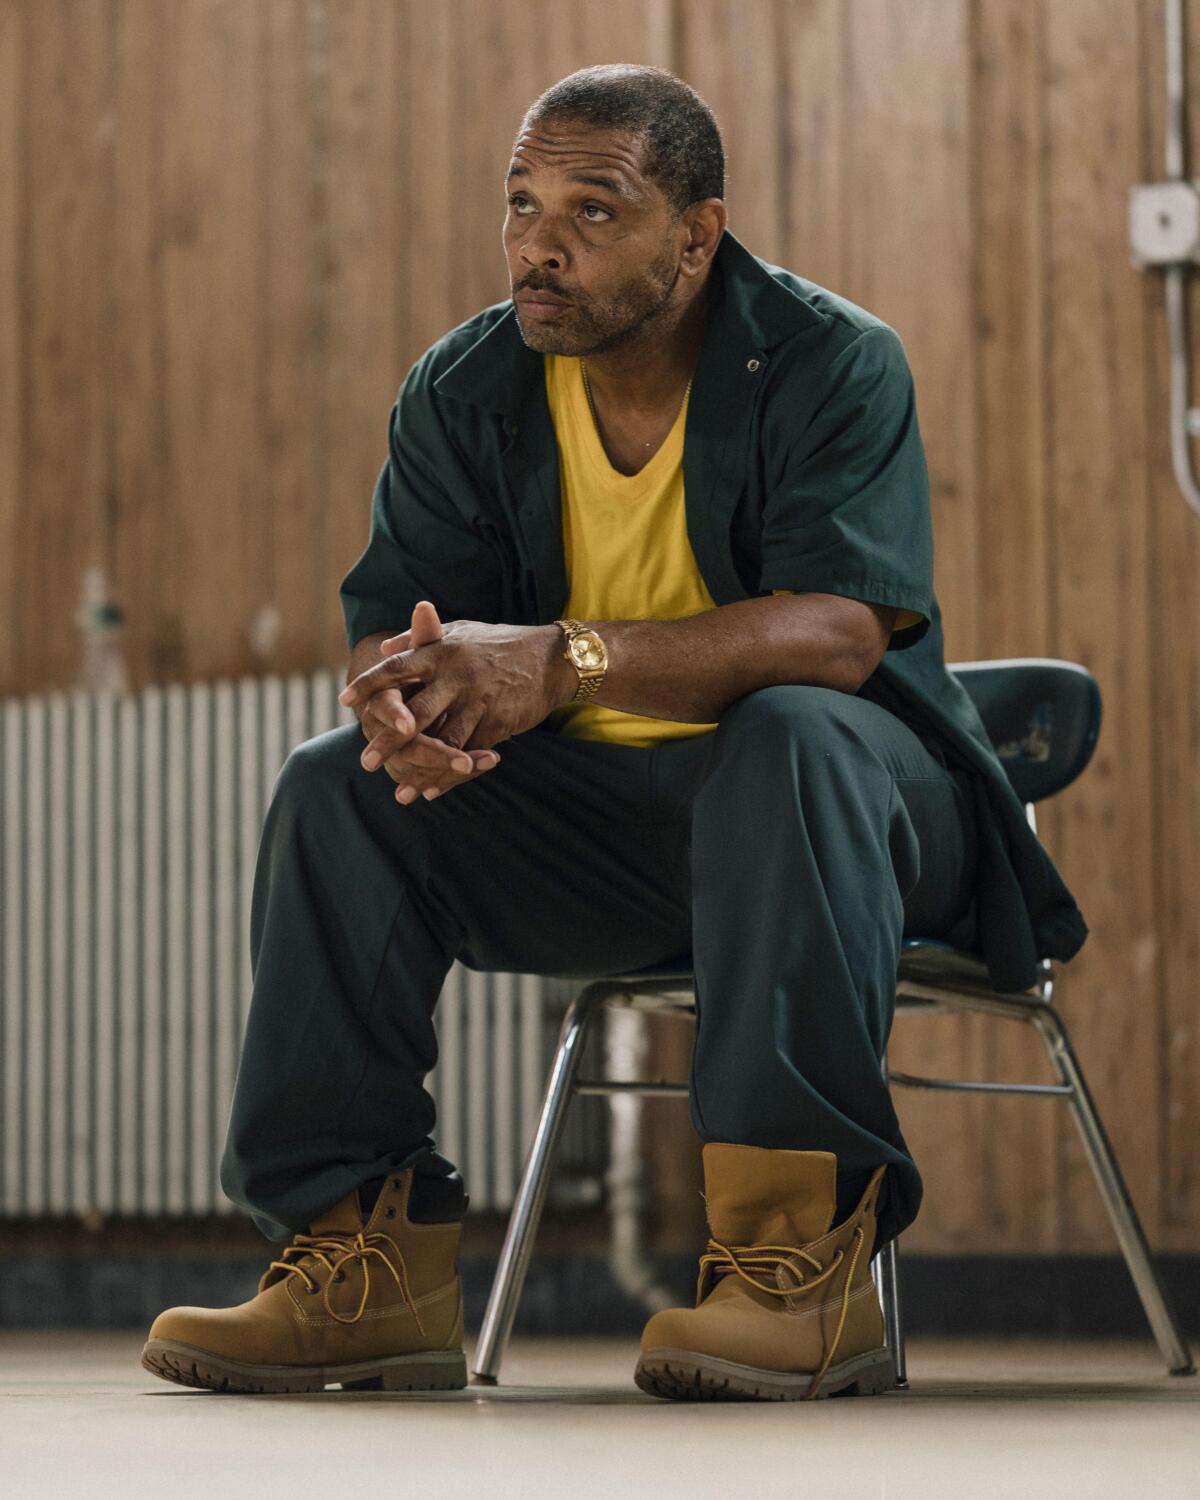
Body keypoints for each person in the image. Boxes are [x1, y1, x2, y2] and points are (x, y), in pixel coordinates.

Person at [142, 63, 1087, 1401]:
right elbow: (395, 636)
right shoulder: (464, 389)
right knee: (332, 787)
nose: (541, 241)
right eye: (523, 203)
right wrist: (406, 709)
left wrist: (566, 660)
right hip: (619, 839)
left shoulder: (829, 359)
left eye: (595, 209)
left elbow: (838, 636)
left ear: (694, 237)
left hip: (855, 829)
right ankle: (362, 1259)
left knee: (791, 738)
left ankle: (797, 1264)